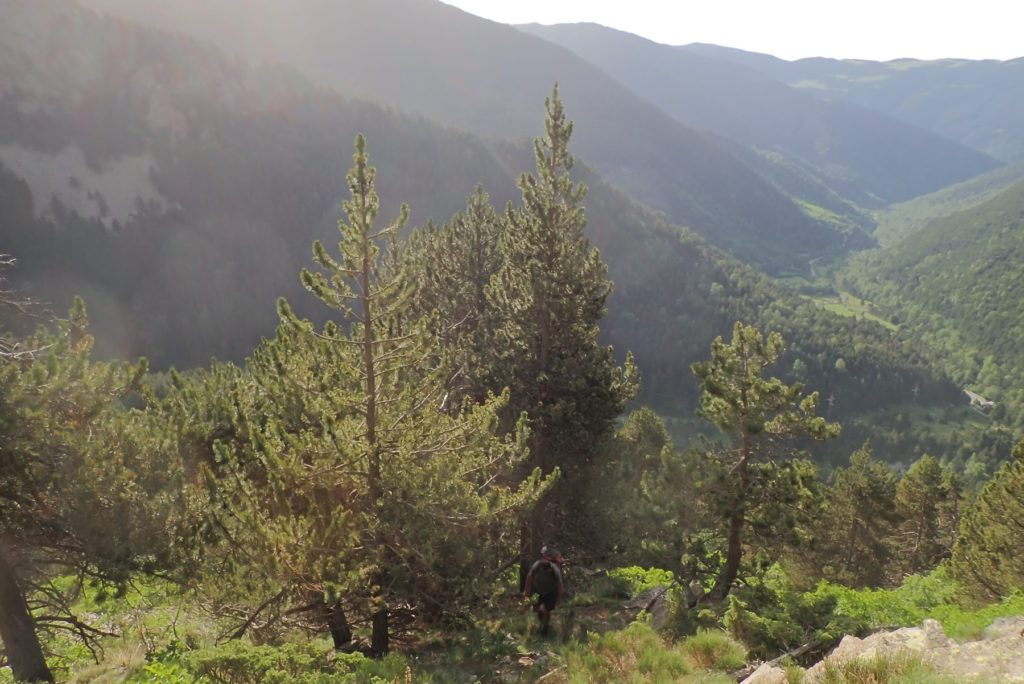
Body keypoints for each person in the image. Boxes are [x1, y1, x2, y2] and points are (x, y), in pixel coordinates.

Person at [522, 547, 564, 634]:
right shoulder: (537, 565)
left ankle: (546, 627)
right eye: (544, 571)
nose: (546, 573)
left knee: (548, 610)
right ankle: (541, 615)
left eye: (548, 571)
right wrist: (527, 590)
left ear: (550, 569)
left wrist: (558, 600)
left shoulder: (556, 570)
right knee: (535, 609)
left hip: (550, 591)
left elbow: (560, 587)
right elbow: (529, 576)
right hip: (537, 589)